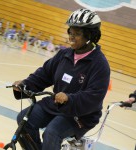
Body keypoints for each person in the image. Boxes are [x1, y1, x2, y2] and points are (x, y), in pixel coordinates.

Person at [13, 8, 110, 150]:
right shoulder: (64, 54)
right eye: (70, 32)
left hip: (81, 115)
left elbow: (93, 97)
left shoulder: (99, 64)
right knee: (24, 120)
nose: (71, 36)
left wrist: (69, 99)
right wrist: (24, 85)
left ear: (91, 36)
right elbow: (44, 74)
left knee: (52, 133)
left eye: (77, 33)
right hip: (55, 105)